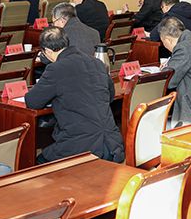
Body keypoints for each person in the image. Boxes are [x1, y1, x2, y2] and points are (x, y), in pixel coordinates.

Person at [25, 27, 124, 164]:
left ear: (47, 51)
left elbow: (32, 101)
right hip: (112, 144)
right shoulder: (97, 63)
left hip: (82, 145)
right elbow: (110, 96)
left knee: (38, 163)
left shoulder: (56, 68)